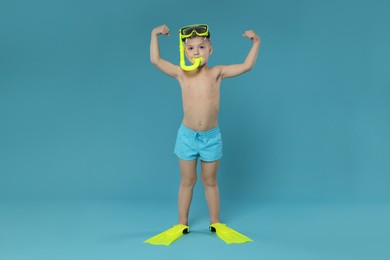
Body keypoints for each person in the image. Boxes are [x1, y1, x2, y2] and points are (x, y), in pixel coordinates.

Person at [145, 24, 260, 245]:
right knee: (187, 180)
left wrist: (256, 43)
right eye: (191, 48)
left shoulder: (217, 73)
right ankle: (181, 222)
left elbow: (246, 66)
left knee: (210, 180)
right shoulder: (181, 74)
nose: (196, 52)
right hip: (187, 136)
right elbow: (156, 61)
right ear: (184, 52)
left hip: (211, 138)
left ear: (210, 50)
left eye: (201, 47)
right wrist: (154, 35)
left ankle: (215, 221)